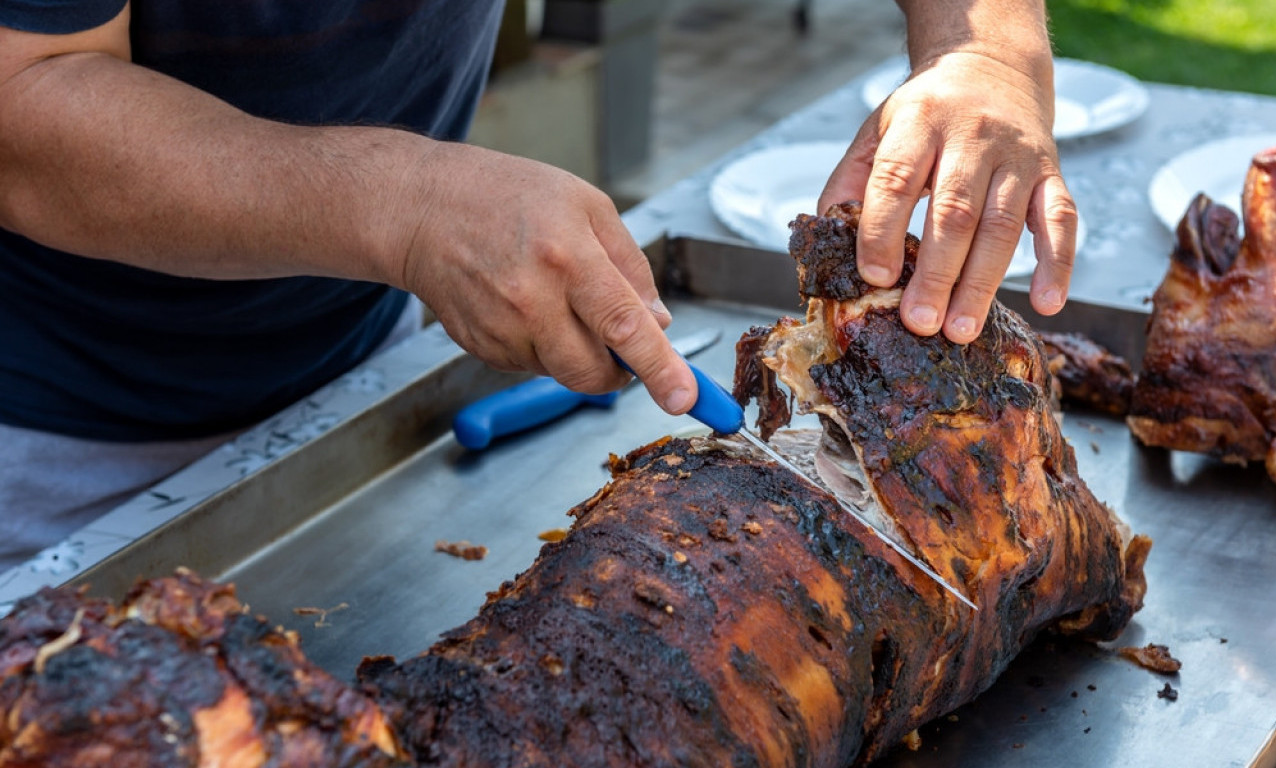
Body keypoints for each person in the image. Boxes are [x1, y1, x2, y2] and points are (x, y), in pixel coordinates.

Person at [0, 0, 1077, 569]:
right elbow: (23, 108)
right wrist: (402, 205)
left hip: (346, 352)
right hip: (48, 434)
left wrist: (981, 49)